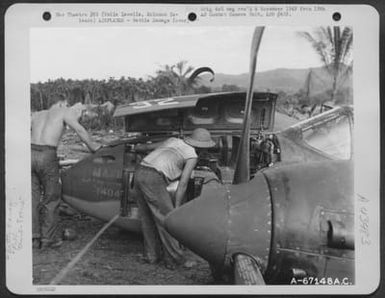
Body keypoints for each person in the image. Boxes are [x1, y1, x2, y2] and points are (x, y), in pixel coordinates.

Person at [133, 128, 216, 269]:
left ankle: (152, 256)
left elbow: (145, 147)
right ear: (201, 147)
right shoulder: (192, 155)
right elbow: (183, 183)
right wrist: (177, 208)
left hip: (140, 171)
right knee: (167, 220)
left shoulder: (173, 140)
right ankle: (175, 260)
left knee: (147, 218)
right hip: (153, 177)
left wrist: (138, 147)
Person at [31, 94, 100, 249]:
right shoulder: (64, 111)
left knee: (33, 197)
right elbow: (80, 130)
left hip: (31, 153)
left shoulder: (38, 114)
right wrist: (93, 147)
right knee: (51, 197)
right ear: (63, 103)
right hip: (47, 154)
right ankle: (49, 239)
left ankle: (33, 238)